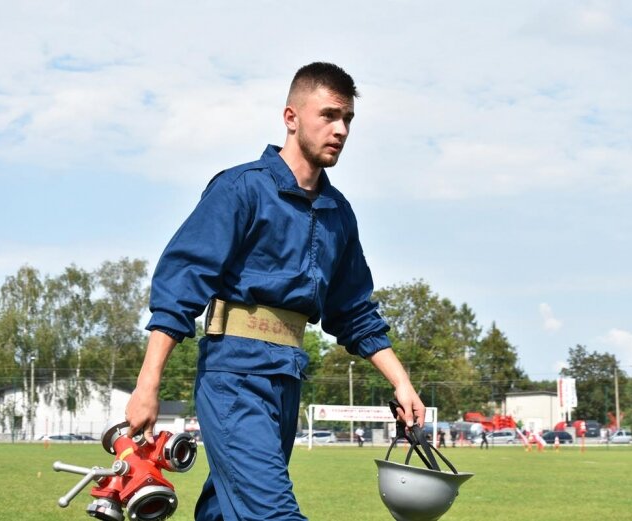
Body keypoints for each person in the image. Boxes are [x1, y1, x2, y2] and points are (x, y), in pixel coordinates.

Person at [124, 62, 425, 521]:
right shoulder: (241, 189)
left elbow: (354, 311)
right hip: (234, 375)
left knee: (224, 512)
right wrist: (148, 386)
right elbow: (182, 284)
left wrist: (401, 383)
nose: (340, 129)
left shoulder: (338, 213)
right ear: (291, 117)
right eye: (327, 115)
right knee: (273, 513)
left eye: (347, 119)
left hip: (287, 378)